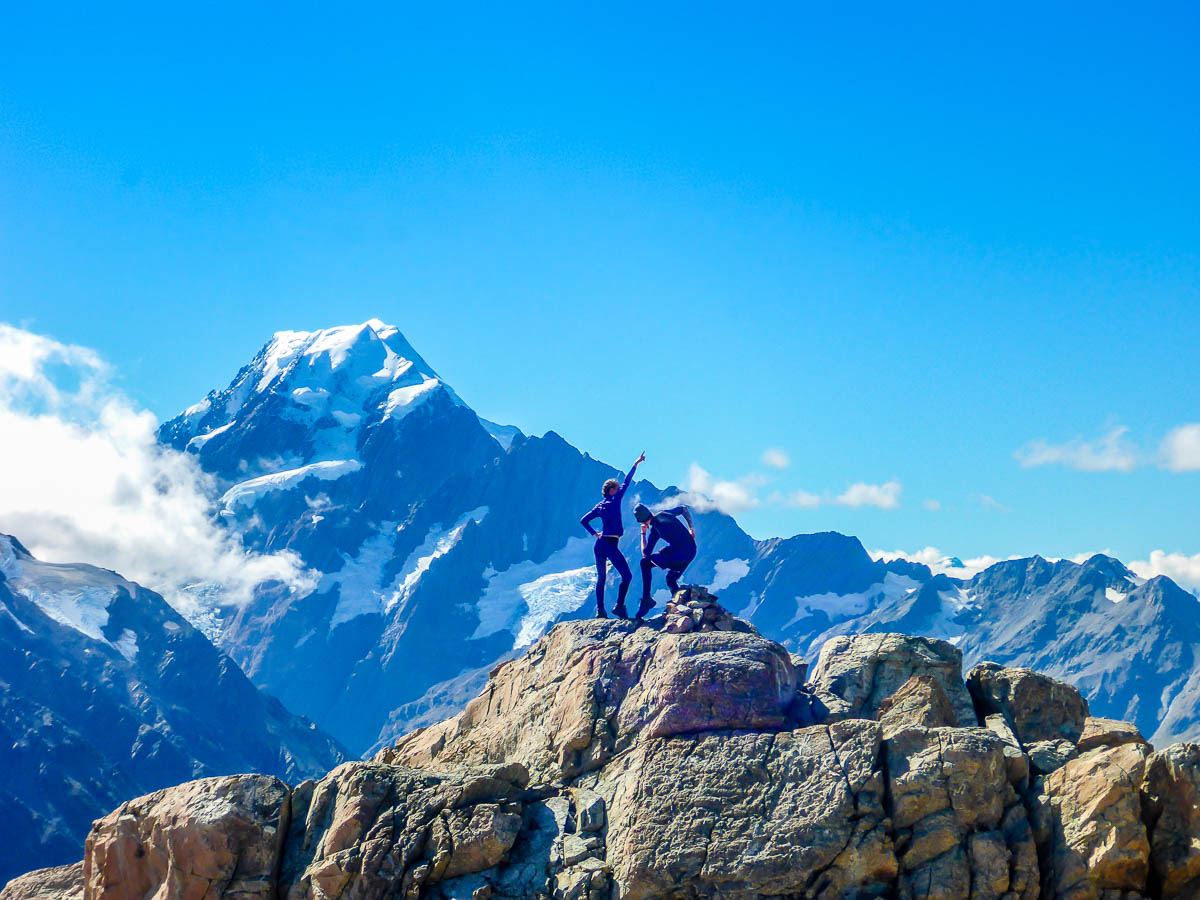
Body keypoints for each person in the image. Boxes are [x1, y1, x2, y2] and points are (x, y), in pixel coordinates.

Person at [580, 452, 645, 618]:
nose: (618, 489)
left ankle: (600, 611)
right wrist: (636, 464)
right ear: (611, 490)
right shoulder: (615, 500)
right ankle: (619, 606)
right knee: (627, 575)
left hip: (600, 545)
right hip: (610, 544)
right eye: (616, 488)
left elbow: (584, 520)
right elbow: (627, 482)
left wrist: (595, 534)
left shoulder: (599, 506)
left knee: (601, 578)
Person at [634, 502, 696, 618]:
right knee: (670, 578)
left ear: (642, 522)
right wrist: (691, 528)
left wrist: (643, 533)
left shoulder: (655, 530)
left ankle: (646, 599)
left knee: (645, 563)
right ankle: (680, 603)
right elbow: (683, 509)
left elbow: (645, 553)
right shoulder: (664, 514)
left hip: (679, 555)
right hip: (691, 550)